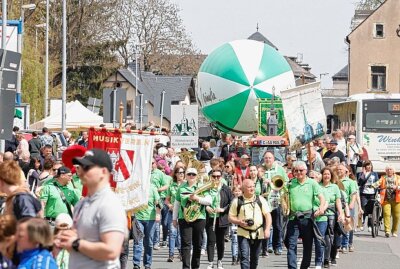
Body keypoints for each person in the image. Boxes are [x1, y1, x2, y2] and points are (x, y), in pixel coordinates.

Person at [58, 149, 127, 268]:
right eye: (81, 167)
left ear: (103, 172)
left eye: (87, 167)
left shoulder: (109, 204)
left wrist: (76, 243)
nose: (81, 171)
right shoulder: (82, 203)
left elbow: (111, 250)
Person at [285, 161, 326, 269]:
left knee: (307, 246)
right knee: (291, 245)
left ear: (306, 171)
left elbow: (321, 196)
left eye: (301, 170)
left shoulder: (312, 183)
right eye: (296, 171)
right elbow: (283, 196)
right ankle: (292, 267)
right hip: (293, 218)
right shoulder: (290, 183)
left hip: (307, 219)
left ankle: (304, 266)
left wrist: (321, 207)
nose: (298, 173)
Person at [173, 168, 212, 269]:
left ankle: (195, 266)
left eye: (193, 174)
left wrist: (197, 199)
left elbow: (209, 201)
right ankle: (186, 267)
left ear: (196, 176)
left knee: (198, 243)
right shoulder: (181, 188)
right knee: (186, 244)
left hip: (199, 217)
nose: (191, 176)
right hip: (184, 218)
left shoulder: (202, 187)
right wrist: (174, 218)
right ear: (186, 176)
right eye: (189, 174)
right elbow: (176, 204)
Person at [228, 178, 272, 269]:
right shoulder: (237, 201)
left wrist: (267, 229)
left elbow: (268, 215)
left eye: (253, 186)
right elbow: (230, 217)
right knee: (244, 257)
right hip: (243, 233)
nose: (252, 189)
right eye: (249, 187)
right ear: (243, 189)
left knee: (255, 258)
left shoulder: (260, 199)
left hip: (258, 233)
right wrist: (238, 222)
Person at [205, 169, 233, 269]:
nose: (216, 178)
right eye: (214, 176)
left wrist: (222, 209)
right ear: (211, 177)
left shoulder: (226, 189)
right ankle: (210, 262)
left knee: (220, 241)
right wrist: (206, 207)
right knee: (211, 241)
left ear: (221, 177)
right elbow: (201, 201)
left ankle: (220, 260)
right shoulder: (207, 188)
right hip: (210, 218)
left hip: (222, 218)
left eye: (218, 176)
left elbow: (231, 202)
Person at [320, 167, 345, 268]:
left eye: (328, 174)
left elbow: (338, 201)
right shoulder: (317, 186)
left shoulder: (335, 187)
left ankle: (327, 259)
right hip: (319, 213)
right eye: (325, 174)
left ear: (331, 176)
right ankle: (320, 258)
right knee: (320, 237)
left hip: (331, 214)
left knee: (329, 237)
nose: (326, 176)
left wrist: (341, 213)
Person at [133, 184, 160, 269]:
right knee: (138, 242)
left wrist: (158, 213)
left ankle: (147, 264)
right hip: (138, 218)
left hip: (150, 219)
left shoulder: (152, 188)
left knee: (148, 243)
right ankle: (136, 264)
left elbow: (159, 202)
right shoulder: (135, 186)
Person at [164, 166, 185, 262]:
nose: (181, 174)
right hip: (172, 212)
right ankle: (171, 255)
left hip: (183, 213)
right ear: (175, 174)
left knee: (181, 234)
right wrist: (170, 205)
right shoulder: (171, 186)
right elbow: (166, 200)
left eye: (183, 172)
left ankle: (181, 253)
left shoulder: (186, 185)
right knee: (172, 233)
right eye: (179, 172)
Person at [377, 165, 400, 237]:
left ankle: (394, 231)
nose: (389, 171)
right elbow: (378, 183)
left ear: (393, 171)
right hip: (386, 198)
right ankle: (387, 230)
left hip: (396, 199)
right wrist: (372, 185)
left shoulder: (398, 178)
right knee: (386, 214)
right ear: (386, 171)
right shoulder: (383, 177)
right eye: (387, 169)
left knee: (396, 216)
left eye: (390, 169)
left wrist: (397, 187)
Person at [357, 160, 379, 232]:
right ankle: (361, 224)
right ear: (365, 167)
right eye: (367, 165)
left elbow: (377, 183)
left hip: (372, 193)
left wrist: (375, 189)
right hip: (363, 193)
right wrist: (363, 174)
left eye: (370, 165)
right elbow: (359, 183)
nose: (369, 167)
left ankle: (369, 225)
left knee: (371, 210)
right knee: (363, 209)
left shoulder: (374, 174)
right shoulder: (361, 174)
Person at [230, 185, 242, 266]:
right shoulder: (231, 201)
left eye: (239, 191)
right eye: (236, 191)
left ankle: (239, 257)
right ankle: (234, 257)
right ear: (233, 192)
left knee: (241, 240)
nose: (237, 192)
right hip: (234, 223)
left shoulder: (243, 200)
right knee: (234, 240)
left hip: (241, 222)